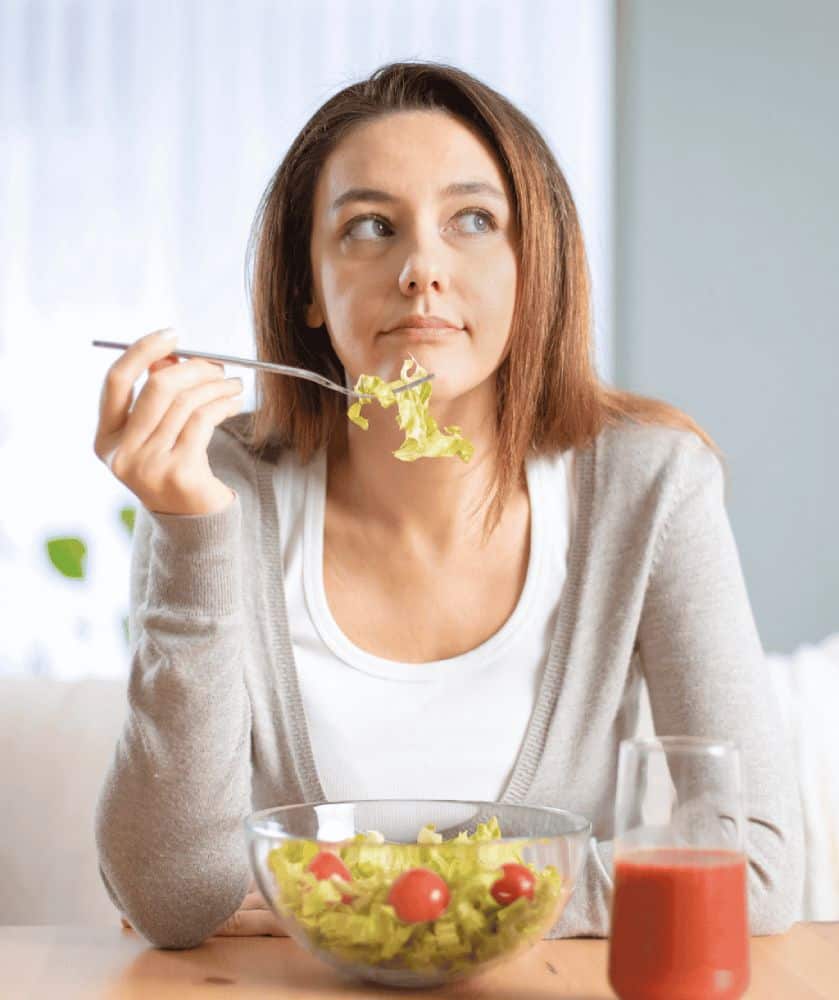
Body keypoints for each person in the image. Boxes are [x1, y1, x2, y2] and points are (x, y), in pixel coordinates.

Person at [93, 62, 802, 949]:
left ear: (530, 265)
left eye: (473, 220)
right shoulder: (218, 484)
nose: (421, 268)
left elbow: (759, 871)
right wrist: (192, 536)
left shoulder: (649, 485)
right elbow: (171, 897)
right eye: (369, 227)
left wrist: (349, 891)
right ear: (306, 288)